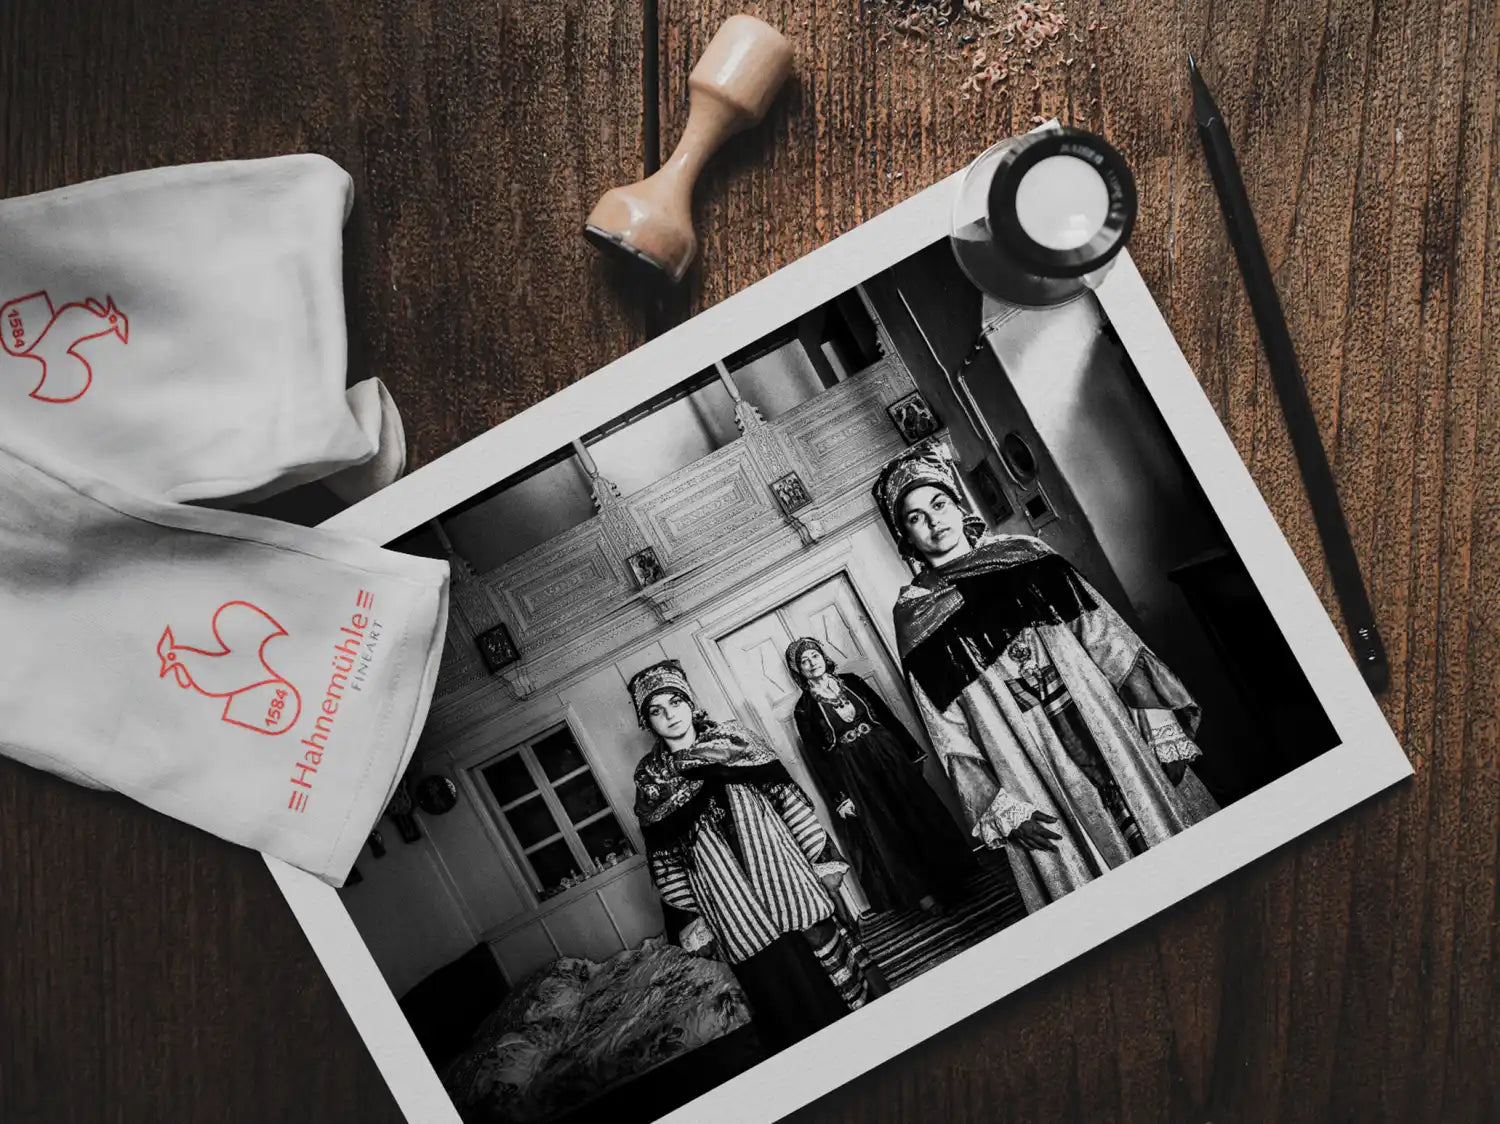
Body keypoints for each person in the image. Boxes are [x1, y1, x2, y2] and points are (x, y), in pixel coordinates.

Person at [871, 441, 1218, 913]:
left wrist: (1159, 726)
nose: (934, 521)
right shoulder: (915, 616)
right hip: (1027, 762)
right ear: (905, 538)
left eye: (938, 503)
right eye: (915, 517)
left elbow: (1109, 640)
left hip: (1107, 724)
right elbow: (946, 729)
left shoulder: (1027, 555)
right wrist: (1001, 807)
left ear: (956, 502)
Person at [629, 659, 887, 1053]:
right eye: (656, 710)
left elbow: (790, 801)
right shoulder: (651, 782)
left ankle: (871, 1045)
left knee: (832, 971)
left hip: (788, 881)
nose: (670, 716)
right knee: (782, 997)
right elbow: (666, 864)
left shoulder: (735, 742)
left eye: (676, 702)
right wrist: (693, 917)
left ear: (690, 702)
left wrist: (821, 859)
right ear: (647, 722)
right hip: (730, 908)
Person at [786, 637, 976, 915]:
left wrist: (911, 752)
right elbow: (819, 758)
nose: (811, 663)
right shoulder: (804, 708)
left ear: (823, 657)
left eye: (814, 655)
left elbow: (885, 715)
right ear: (798, 670)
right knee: (888, 829)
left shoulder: (851, 681)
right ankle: (922, 895)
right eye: (804, 661)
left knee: (918, 815)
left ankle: (951, 880)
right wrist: (840, 797)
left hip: (887, 754)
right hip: (854, 770)